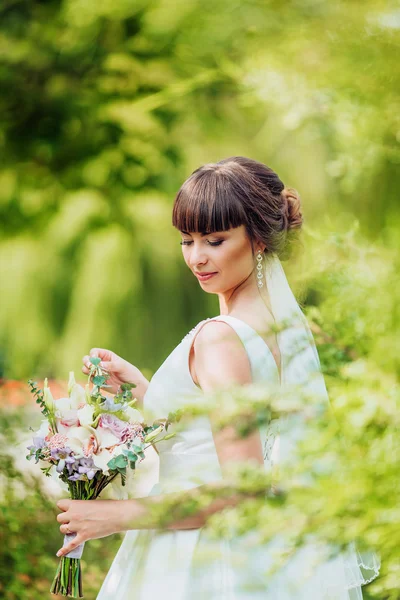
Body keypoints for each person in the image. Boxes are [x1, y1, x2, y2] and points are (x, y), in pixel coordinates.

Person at [55, 157, 380, 598]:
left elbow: (242, 486)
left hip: (199, 555)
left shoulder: (220, 338)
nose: (196, 257)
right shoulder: (276, 325)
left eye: (214, 240)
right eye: (187, 241)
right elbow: (230, 433)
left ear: (259, 239)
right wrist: (145, 391)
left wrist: (116, 516)